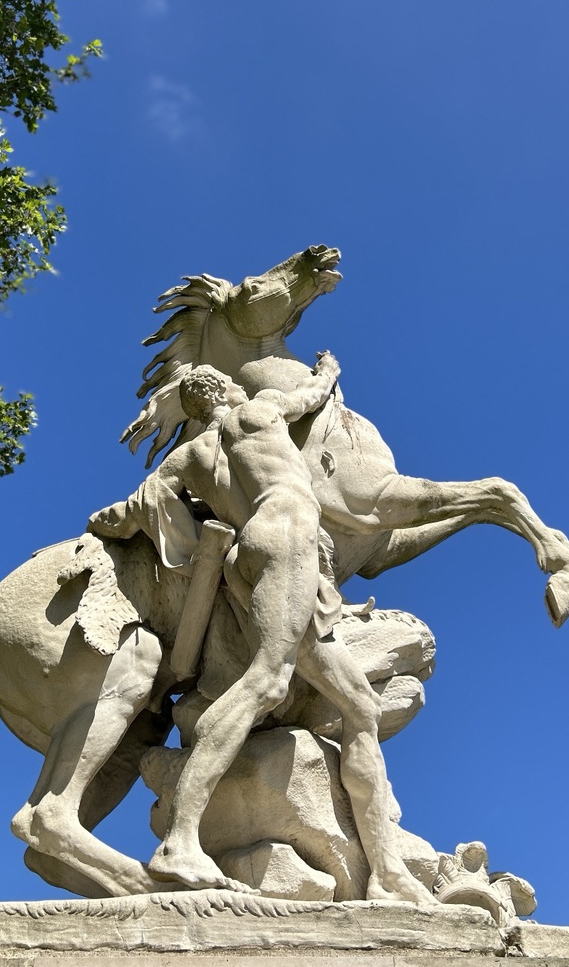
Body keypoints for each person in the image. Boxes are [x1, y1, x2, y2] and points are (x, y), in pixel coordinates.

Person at [88, 354, 432, 903]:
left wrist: (103, 522)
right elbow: (311, 395)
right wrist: (329, 369)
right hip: (289, 535)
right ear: (225, 389)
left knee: (360, 706)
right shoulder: (262, 410)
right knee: (267, 682)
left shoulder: (189, 455)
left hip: (251, 555)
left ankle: (386, 871)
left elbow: (132, 509)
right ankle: (180, 840)